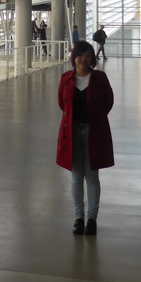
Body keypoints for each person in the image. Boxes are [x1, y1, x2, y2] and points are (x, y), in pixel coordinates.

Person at [56, 41, 114, 236]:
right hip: (71, 132)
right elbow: (62, 103)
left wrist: (95, 118)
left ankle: (92, 220)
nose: (83, 59)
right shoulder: (66, 78)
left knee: (92, 177)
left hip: (94, 131)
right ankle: (78, 218)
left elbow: (108, 101)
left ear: (92, 59)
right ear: (74, 57)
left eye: (88, 55)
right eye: (80, 55)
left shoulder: (99, 78)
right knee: (75, 177)